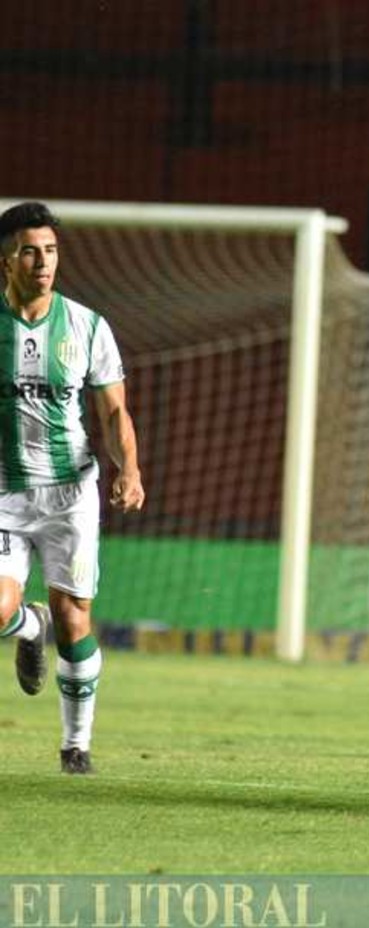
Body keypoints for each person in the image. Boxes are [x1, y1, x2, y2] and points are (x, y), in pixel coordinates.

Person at [0, 201, 145, 775]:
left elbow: (113, 414)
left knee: (74, 618)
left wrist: (128, 469)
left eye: (51, 250)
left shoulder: (87, 325)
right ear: (5, 259)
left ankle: (74, 745)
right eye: (31, 251)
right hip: (4, 493)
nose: (43, 262)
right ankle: (26, 625)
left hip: (69, 494)